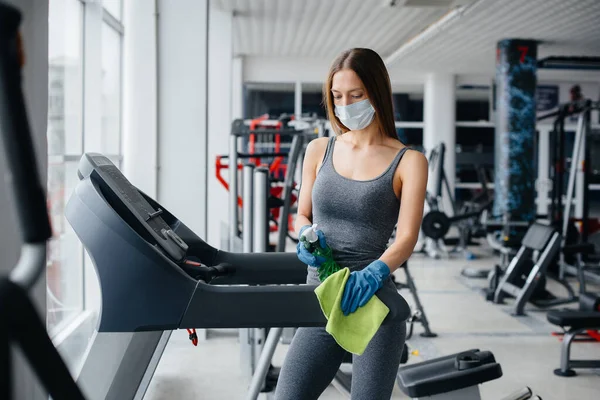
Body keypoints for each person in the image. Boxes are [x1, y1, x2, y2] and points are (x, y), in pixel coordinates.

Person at [274, 48, 428, 399]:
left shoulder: (409, 161)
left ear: (377, 93)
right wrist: (304, 234)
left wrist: (374, 273)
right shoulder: (319, 149)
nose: (346, 104)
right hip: (321, 295)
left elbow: (406, 237)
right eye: (338, 96)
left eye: (356, 95)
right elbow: (303, 214)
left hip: (372, 300)